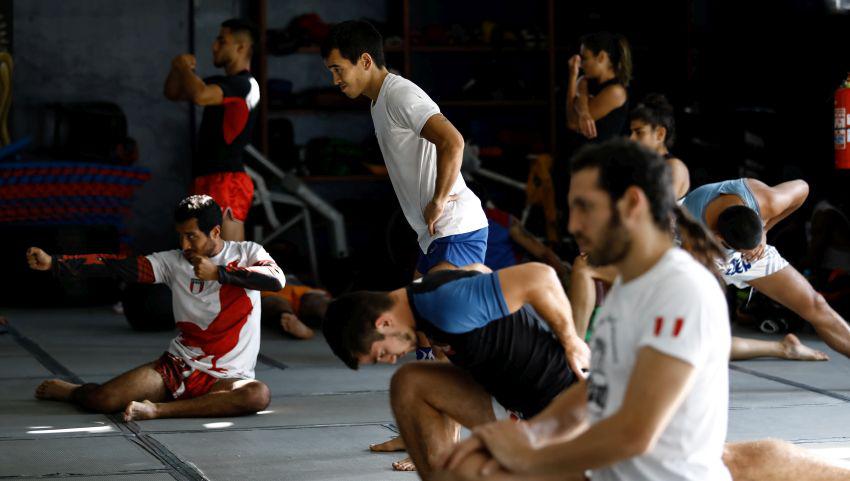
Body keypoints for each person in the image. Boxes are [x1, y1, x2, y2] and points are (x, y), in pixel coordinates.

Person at [435, 139, 850, 481]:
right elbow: (601, 389)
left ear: (630, 204)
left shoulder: (682, 290)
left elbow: (635, 433)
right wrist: (532, 433)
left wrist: (527, 459)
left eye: (585, 207)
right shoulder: (634, 286)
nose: (573, 224)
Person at [27, 195, 285, 422]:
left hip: (227, 378)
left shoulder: (248, 252)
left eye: (192, 236)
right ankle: (71, 391)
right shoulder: (172, 262)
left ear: (216, 232)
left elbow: (276, 279)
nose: (184, 245)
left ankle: (159, 411)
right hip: (178, 366)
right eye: (180, 235)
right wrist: (55, 263)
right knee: (102, 400)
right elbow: (115, 265)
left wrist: (219, 273)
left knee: (256, 394)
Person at [322, 263, 589, 478]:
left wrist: (571, 340)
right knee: (409, 380)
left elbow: (539, 276)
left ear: (384, 322)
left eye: (381, 353)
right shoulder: (421, 302)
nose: (390, 359)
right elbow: (480, 270)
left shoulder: (444, 304)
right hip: (522, 408)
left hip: (563, 405)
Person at [320, 20, 489, 279]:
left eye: (338, 69)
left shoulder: (400, 94)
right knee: (417, 312)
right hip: (434, 233)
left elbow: (453, 141)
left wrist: (438, 200)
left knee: (438, 315)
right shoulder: (378, 102)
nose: (335, 80)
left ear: (365, 61)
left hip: (455, 228)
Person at [682, 177, 850, 359]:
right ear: (718, 237)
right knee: (696, 341)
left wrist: (765, 230)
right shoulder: (688, 228)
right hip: (701, 254)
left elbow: (803, 187)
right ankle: (780, 348)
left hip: (750, 241)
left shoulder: (767, 200)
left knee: (816, 305)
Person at [165, 18, 260, 242]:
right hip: (206, 177)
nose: (214, 46)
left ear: (241, 47)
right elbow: (173, 93)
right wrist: (177, 69)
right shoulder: (223, 83)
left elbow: (199, 96)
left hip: (226, 180)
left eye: (221, 40)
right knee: (199, 259)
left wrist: (182, 67)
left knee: (228, 260)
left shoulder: (244, 84)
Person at [566, 32, 631, 143]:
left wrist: (573, 75)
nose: (580, 64)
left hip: (601, 157)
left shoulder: (616, 92)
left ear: (601, 57)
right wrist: (584, 113)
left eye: (585, 58)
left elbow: (572, 123)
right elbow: (580, 94)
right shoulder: (585, 81)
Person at [260, 278, 331, 340]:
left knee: (317, 301)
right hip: (267, 292)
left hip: (301, 292)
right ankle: (288, 317)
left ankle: (288, 318)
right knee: (273, 301)